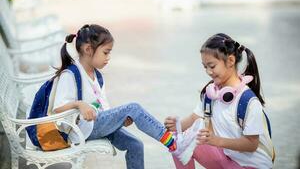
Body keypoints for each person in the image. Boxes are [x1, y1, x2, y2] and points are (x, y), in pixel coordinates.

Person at [52, 24, 177, 169]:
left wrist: (120, 121)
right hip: (83, 129)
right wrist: (79, 104)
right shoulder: (70, 74)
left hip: (98, 124)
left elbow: (103, 109)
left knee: (136, 145)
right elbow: (57, 109)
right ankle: (170, 141)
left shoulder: (96, 76)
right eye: (105, 53)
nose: (108, 57)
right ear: (88, 50)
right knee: (134, 108)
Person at [165, 33, 273, 169]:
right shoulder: (211, 94)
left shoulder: (248, 101)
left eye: (212, 66)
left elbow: (251, 144)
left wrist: (217, 141)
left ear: (230, 61)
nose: (208, 72)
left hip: (252, 166)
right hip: (228, 159)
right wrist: (176, 126)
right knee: (178, 143)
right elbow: (194, 118)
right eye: (205, 67)